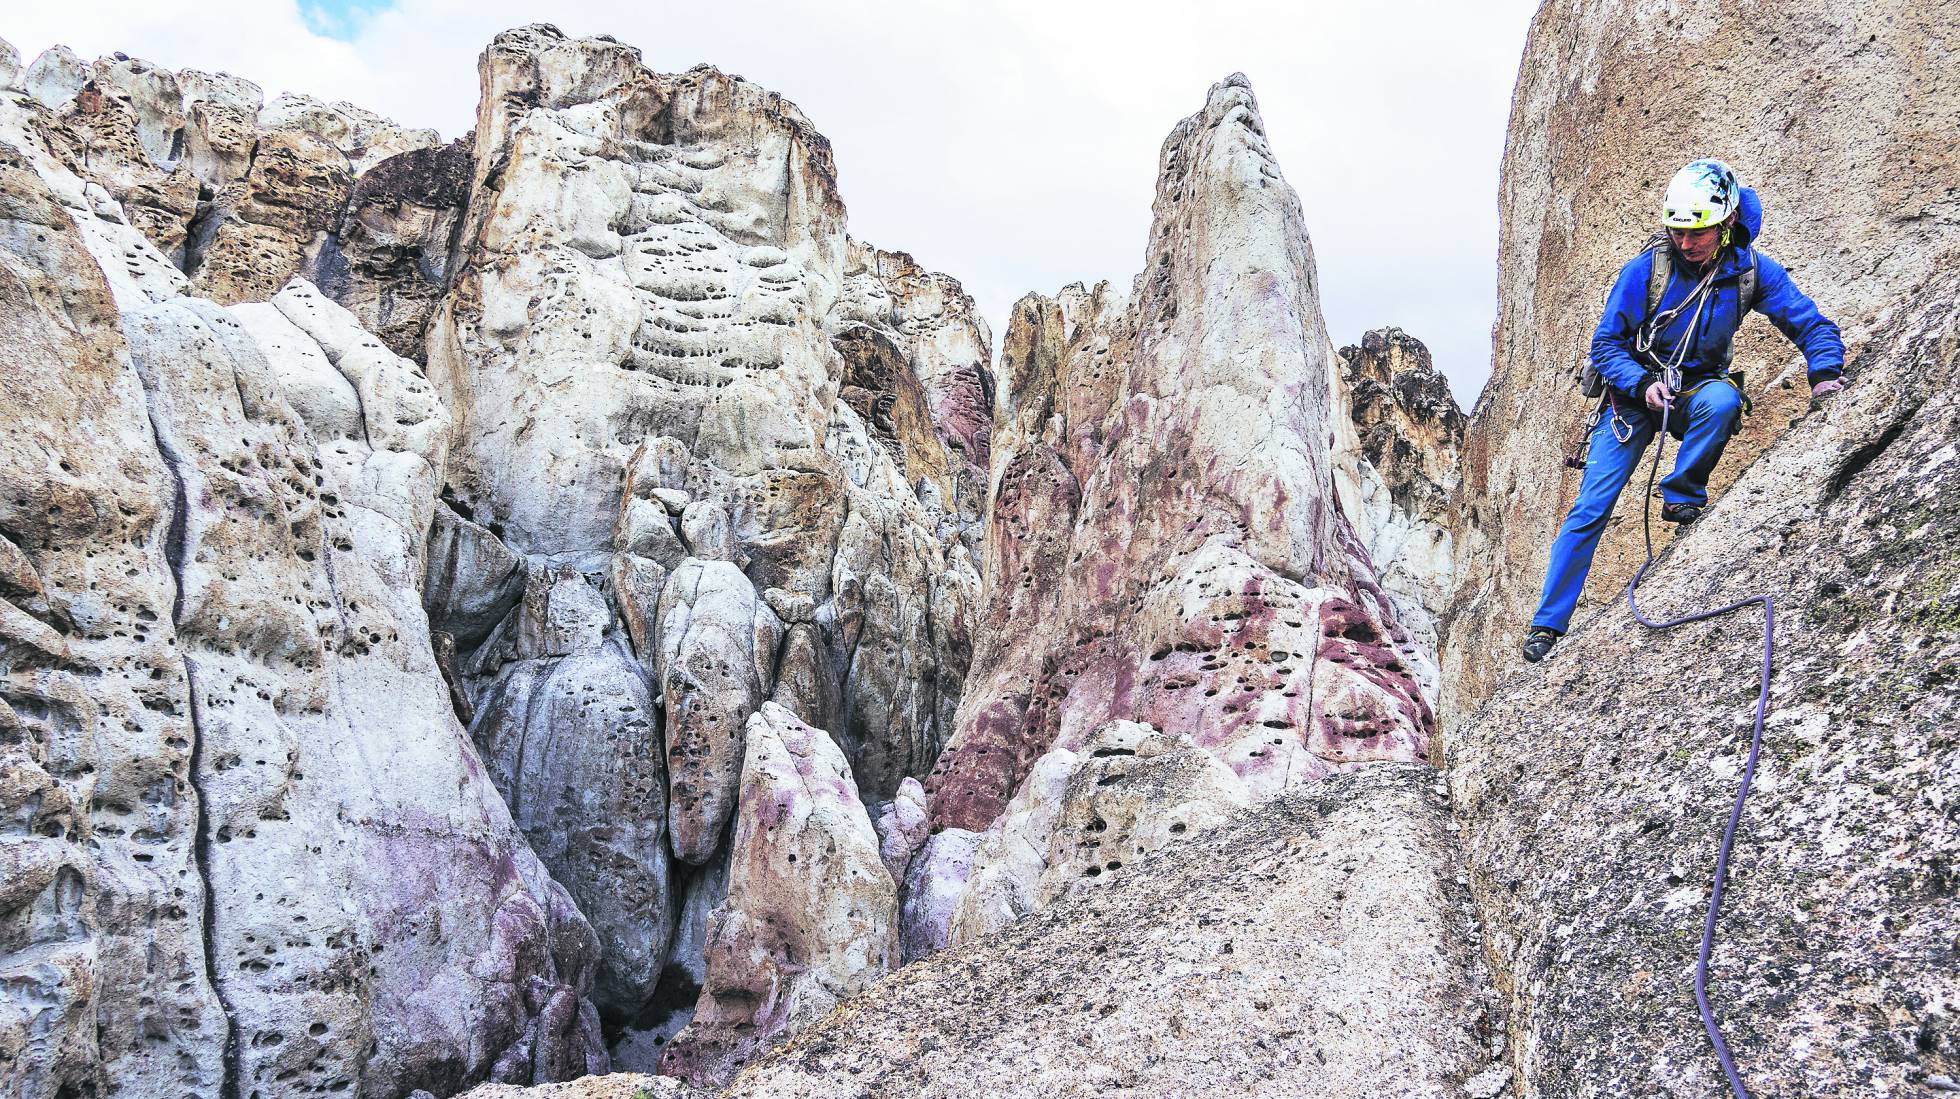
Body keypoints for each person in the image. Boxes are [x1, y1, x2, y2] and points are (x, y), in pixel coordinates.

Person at [1521, 159, 1845, 663]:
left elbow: (1811, 324)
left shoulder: (1751, 272)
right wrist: (1641, 382)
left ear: (1727, 223)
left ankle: (1681, 495)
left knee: (1722, 401)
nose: (1686, 242)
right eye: (1678, 231)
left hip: (1693, 392)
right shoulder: (1648, 269)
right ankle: (1547, 625)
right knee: (1590, 507)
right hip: (1631, 400)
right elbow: (1606, 345)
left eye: (1698, 233)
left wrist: (1825, 373)